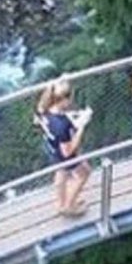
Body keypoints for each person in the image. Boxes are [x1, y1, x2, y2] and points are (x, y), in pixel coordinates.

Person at [35, 79, 92, 216]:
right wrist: (82, 126)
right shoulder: (62, 124)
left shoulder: (43, 109)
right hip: (64, 154)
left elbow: (39, 121)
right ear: (64, 100)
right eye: (70, 98)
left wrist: (71, 118)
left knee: (61, 173)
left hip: (52, 149)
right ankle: (69, 206)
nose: (71, 101)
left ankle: (61, 204)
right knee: (84, 173)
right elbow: (68, 151)